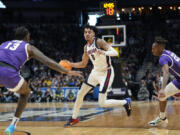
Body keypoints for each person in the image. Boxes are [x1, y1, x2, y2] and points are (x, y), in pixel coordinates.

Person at [0, 26, 82, 135]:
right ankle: (12, 125)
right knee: (25, 93)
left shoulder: (4, 44)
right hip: (9, 73)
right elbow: (47, 61)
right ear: (26, 37)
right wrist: (66, 72)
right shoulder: (29, 47)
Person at [64, 25, 131, 127]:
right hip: (95, 72)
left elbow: (114, 52)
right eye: (85, 32)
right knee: (80, 94)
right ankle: (74, 118)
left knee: (102, 103)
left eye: (89, 32)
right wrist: (70, 64)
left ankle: (125, 102)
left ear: (93, 34)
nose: (87, 34)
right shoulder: (86, 47)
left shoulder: (99, 42)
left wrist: (103, 52)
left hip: (106, 72)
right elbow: (83, 64)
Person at [149, 36, 180, 126]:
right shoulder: (168, 52)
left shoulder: (163, 58)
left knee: (162, 93)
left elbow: (166, 72)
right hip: (178, 80)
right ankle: (162, 117)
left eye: (153, 48)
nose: (152, 50)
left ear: (160, 47)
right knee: (162, 96)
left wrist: (162, 88)